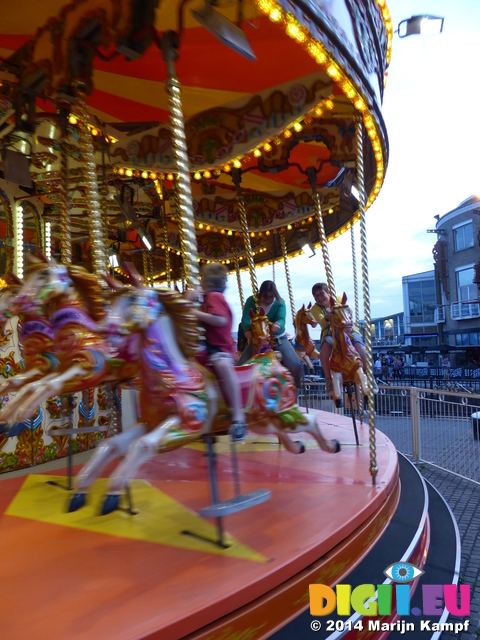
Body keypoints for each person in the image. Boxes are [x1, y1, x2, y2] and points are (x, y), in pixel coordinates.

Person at [191, 263, 246, 442]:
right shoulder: (206, 299)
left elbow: (220, 320)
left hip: (221, 348)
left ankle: (238, 416)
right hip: (209, 348)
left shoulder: (214, 297)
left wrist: (195, 313)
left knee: (222, 365)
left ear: (204, 282)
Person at [237, 280, 303, 389]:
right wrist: (247, 329)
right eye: (265, 297)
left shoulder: (280, 303)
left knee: (295, 364)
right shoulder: (252, 301)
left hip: (277, 338)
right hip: (258, 340)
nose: (268, 300)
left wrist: (277, 324)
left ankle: (295, 390)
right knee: (240, 366)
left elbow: (281, 319)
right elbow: (245, 318)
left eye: (271, 297)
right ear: (259, 294)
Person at [310, 282, 372, 396]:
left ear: (328, 293)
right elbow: (323, 322)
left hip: (347, 329)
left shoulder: (338, 298)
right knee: (325, 346)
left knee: (358, 344)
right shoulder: (315, 309)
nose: (319, 297)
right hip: (330, 331)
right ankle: (328, 380)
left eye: (321, 294)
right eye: (316, 296)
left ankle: (369, 376)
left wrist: (346, 313)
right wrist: (329, 316)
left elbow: (348, 311)